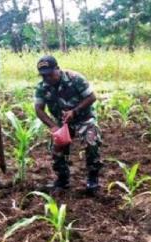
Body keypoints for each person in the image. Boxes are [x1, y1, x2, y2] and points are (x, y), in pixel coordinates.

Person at [34, 56, 102, 194]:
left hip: (84, 117)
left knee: (92, 142)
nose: (47, 78)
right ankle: (62, 179)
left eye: (50, 74)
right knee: (57, 147)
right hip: (62, 122)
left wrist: (75, 111)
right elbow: (39, 109)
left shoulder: (75, 78)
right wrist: (53, 127)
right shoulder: (42, 87)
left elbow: (92, 97)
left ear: (57, 69)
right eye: (44, 75)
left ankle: (92, 180)